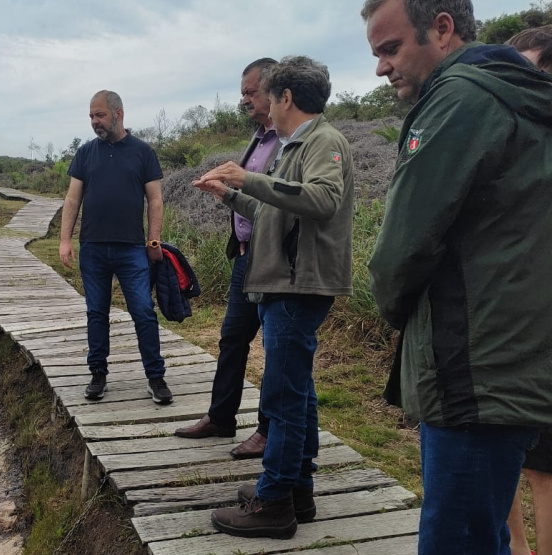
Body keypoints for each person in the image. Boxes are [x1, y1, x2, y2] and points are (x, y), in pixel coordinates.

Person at [361, 1, 552, 553]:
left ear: (442, 28)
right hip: (514, 358)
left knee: (455, 540)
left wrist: (392, 307)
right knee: (484, 531)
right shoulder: (518, 98)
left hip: (473, 369)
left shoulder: (461, 99)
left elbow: (401, 248)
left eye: (390, 48)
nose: (382, 67)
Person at [194, 55, 355, 539]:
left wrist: (250, 179)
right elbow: (275, 212)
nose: (262, 102)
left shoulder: (323, 140)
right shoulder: (294, 145)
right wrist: (230, 196)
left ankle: (275, 500)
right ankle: (298, 491)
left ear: (285, 97)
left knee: (282, 396)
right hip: (279, 281)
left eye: (268, 94)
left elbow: (323, 201)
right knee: (297, 392)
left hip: (296, 284)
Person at [174, 58, 281, 460]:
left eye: (251, 93)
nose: (245, 101)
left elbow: (280, 197)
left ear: (275, 91)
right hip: (244, 256)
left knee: (276, 345)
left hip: (272, 259)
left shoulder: (290, 141)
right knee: (233, 338)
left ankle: (269, 431)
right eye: (243, 94)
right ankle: (222, 417)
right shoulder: (258, 137)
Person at [59, 90, 173, 405]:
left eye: (100, 115)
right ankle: (98, 374)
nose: (95, 121)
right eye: (92, 116)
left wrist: (153, 240)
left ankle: (156, 376)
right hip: (93, 248)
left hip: (131, 250)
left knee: (143, 311)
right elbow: (72, 199)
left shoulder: (142, 152)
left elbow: (155, 199)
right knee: (96, 313)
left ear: (118, 113)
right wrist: (65, 239)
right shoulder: (85, 153)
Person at [504, 25, 552, 555]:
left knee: (547, 469)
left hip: (546, 329)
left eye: (524, 70)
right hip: (531, 324)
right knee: (516, 461)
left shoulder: (550, 141)